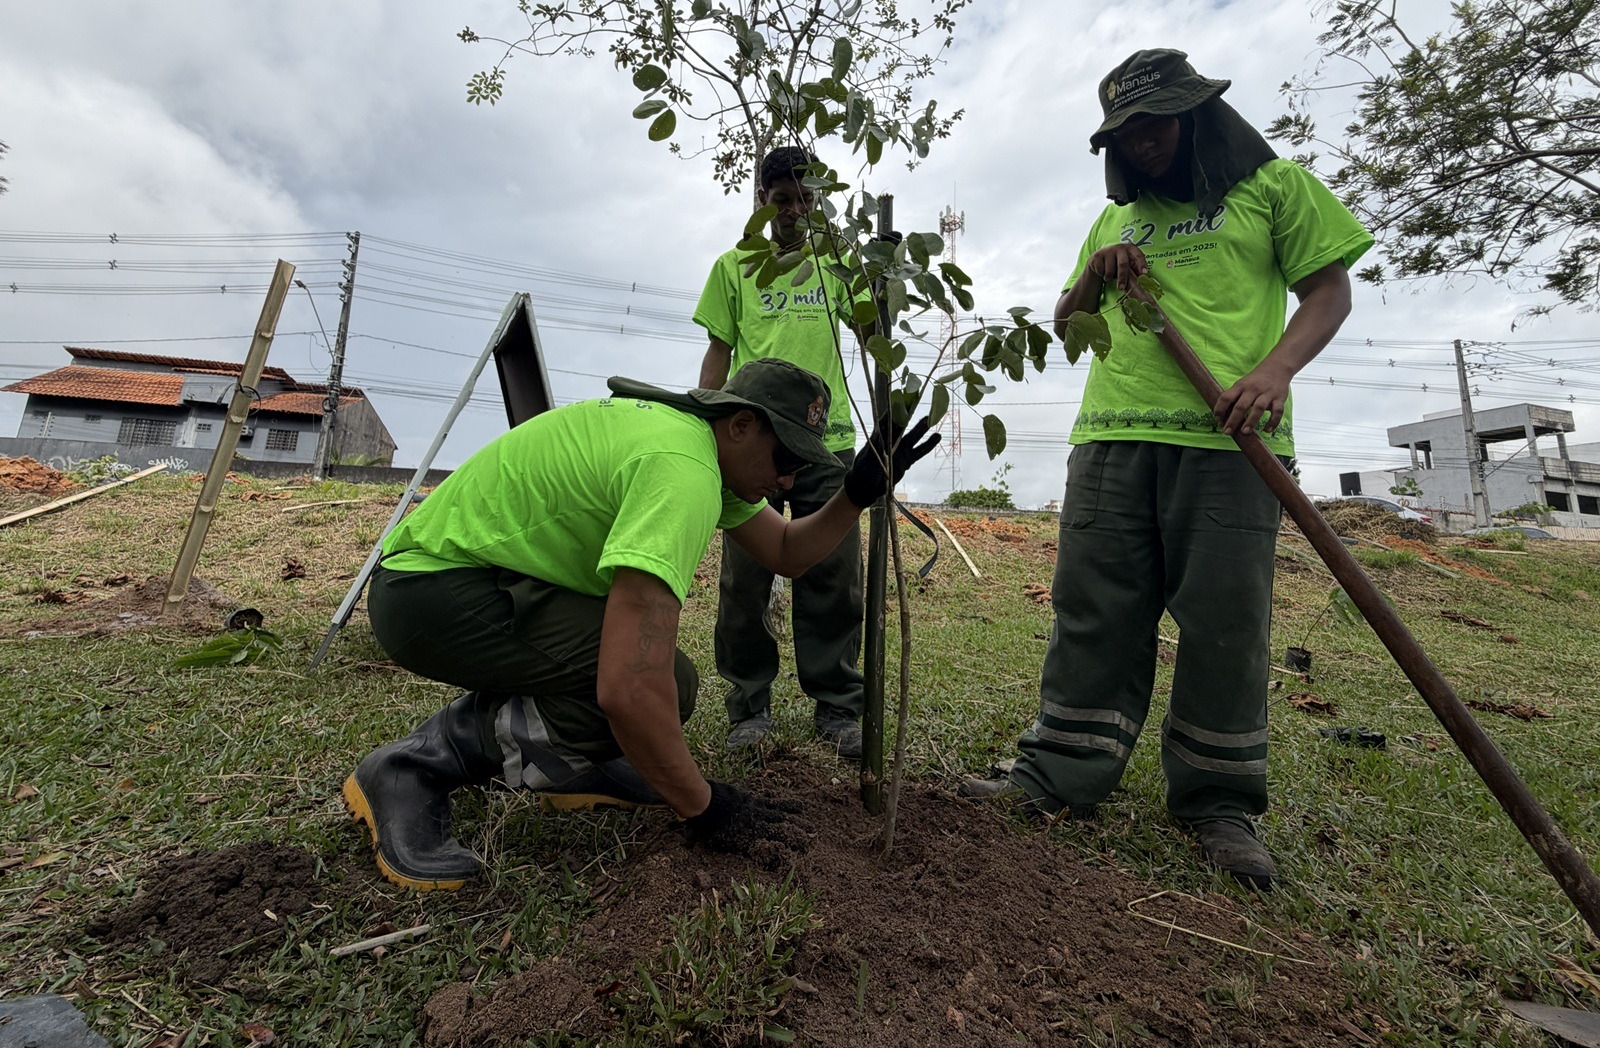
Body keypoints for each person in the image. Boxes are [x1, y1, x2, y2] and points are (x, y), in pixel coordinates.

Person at [963, 48, 1372, 890]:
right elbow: (1067, 324)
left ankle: (1218, 804)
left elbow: (1328, 292)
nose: (1142, 143)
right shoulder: (1114, 220)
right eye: (1125, 132)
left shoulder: (1274, 187)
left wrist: (1275, 372)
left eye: (1154, 123)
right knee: (1094, 612)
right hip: (1113, 438)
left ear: (1193, 115)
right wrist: (1092, 275)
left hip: (1230, 441)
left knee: (1225, 628)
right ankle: (1058, 775)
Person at [343, 357, 936, 891]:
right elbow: (628, 685)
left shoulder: (699, 447)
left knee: (653, 691)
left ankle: (569, 764)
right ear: (741, 424)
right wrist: (705, 808)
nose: (787, 482)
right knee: (658, 687)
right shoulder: (682, 470)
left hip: (473, 578)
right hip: (430, 592)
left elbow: (785, 551)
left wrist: (854, 494)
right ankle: (415, 763)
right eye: (785, 459)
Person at [694, 146, 867, 758]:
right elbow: (719, 354)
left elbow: (873, 333)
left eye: (805, 198)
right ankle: (748, 707)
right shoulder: (734, 266)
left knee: (834, 579)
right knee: (746, 582)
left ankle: (839, 708)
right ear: (762, 201)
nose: (795, 210)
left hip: (829, 445)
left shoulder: (840, 261)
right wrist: (706, 425)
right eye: (782, 199)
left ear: (819, 200)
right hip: (754, 446)